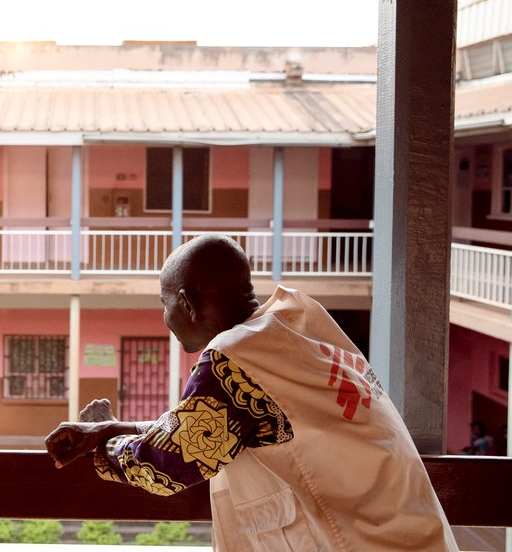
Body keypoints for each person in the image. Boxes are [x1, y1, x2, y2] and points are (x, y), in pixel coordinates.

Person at [45, 234, 457, 551]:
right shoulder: (296, 324)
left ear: (187, 304)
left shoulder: (234, 357)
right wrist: (117, 427)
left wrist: (101, 444)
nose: (163, 316)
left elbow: (168, 464)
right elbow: (214, 425)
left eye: (164, 303)